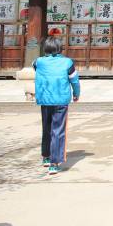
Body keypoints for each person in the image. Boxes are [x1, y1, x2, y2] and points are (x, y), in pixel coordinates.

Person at [33, 36, 81, 175]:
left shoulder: (38, 62)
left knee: (46, 128)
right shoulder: (67, 62)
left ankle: (46, 156)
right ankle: (54, 163)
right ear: (60, 48)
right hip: (61, 99)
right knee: (58, 130)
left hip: (45, 99)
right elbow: (74, 80)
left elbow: (35, 66)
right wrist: (76, 94)